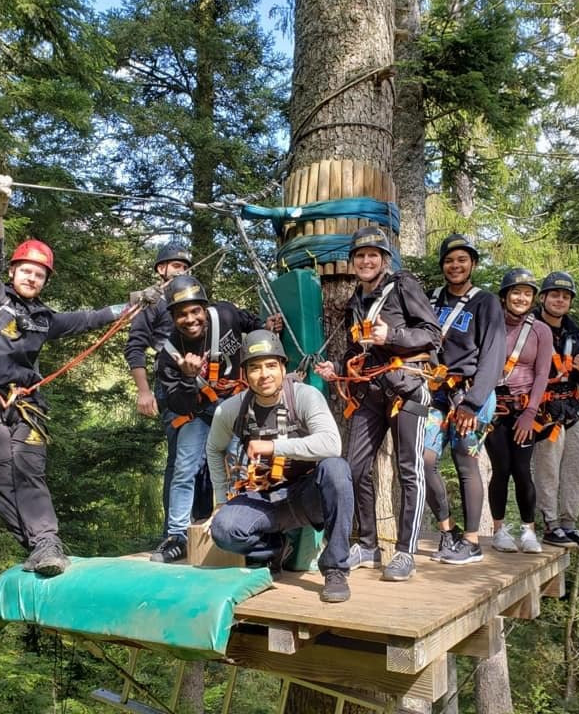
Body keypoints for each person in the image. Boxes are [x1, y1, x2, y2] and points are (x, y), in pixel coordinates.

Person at [0, 175, 161, 576]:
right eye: (26, 271)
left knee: (28, 467)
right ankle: (34, 544)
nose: (32, 278)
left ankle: (47, 546)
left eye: (39, 274)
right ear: (14, 273)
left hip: (26, 404)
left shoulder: (44, 319)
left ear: (45, 281)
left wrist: (132, 304)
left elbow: (89, 319)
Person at [314, 226, 441, 582]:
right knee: (354, 468)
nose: (366, 261)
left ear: (384, 260)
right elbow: (360, 352)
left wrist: (394, 336)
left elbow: (433, 335)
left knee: (409, 470)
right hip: (370, 392)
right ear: (353, 263)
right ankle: (368, 545)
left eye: (373, 255)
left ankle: (405, 552)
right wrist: (338, 368)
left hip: (408, 389)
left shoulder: (403, 287)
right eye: (360, 256)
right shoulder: (358, 300)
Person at [208, 330, 355, 603]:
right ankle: (271, 549)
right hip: (261, 497)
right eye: (254, 367)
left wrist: (274, 446)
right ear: (245, 374)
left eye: (271, 365)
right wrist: (219, 498)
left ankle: (335, 569)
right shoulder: (231, 410)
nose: (264, 374)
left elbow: (332, 444)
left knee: (336, 469)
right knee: (223, 530)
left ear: (283, 368)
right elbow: (213, 449)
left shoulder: (304, 396)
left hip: (306, 497)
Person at [149, 274, 282, 564]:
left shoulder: (225, 314)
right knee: (184, 468)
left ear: (204, 308)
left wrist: (266, 328)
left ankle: (243, 528)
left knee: (240, 465)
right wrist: (187, 376)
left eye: (195, 311)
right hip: (197, 411)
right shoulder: (169, 354)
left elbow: (250, 323)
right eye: (182, 314)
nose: (190, 319)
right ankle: (176, 536)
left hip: (233, 405)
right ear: (173, 317)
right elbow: (178, 403)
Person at [423, 234, 507, 564]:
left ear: (472, 264)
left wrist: (473, 402)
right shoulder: (432, 300)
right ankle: (448, 530)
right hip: (437, 392)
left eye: (461, 260)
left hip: (473, 394)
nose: (454, 266)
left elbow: (493, 354)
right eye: (449, 260)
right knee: (424, 460)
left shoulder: (485, 302)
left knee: (465, 462)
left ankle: (472, 541)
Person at [123, 242, 192, 549]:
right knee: (180, 459)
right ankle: (172, 533)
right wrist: (144, 391)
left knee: (203, 458)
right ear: (161, 269)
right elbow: (134, 347)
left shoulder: (191, 300)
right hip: (170, 386)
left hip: (202, 387)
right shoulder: (151, 304)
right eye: (176, 266)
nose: (182, 271)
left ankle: (196, 525)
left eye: (185, 267)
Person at [485, 268, 553, 554]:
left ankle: (528, 531)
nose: (521, 298)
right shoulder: (491, 323)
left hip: (525, 407)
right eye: (516, 292)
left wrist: (530, 413)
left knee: (523, 470)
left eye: (527, 293)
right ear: (504, 296)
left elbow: (542, 374)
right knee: (500, 469)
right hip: (494, 408)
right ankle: (499, 531)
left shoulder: (540, 331)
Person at [532, 271, 579, 551]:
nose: (560, 300)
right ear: (543, 297)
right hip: (544, 408)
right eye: (555, 295)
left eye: (565, 297)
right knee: (548, 469)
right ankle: (550, 524)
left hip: (572, 406)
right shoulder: (530, 327)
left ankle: (569, 523)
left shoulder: (575, 332)